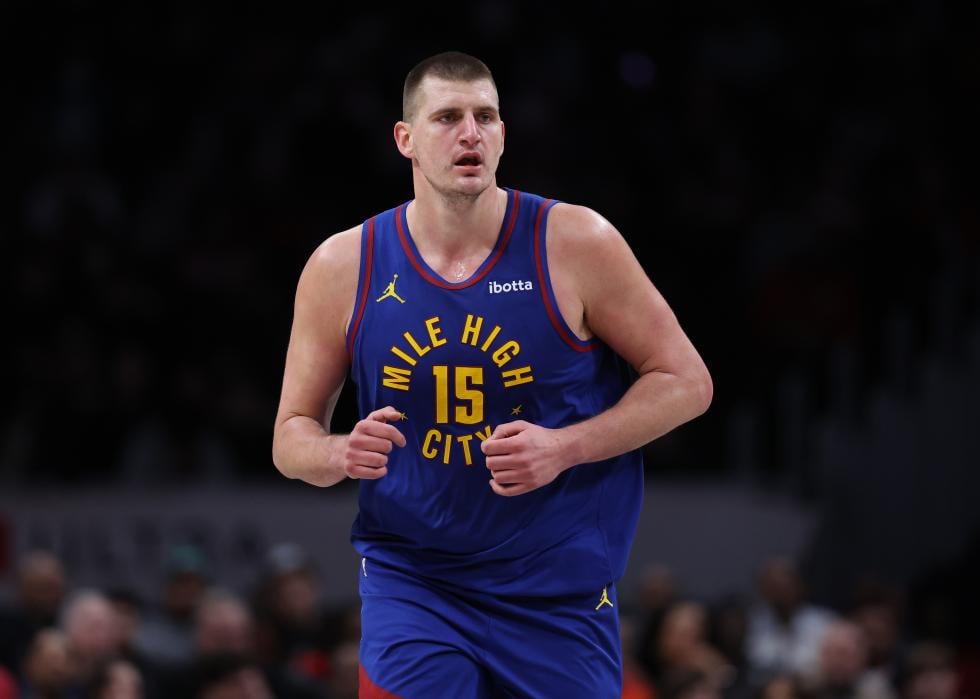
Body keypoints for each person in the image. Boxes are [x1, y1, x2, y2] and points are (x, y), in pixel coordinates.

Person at [272, 50, 713, 698]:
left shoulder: (576, 241)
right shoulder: (344, 264)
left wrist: (565, 446)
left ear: (504, 133)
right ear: (406, 139)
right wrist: (338, 450)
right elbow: (289, 438)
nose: (470, 133)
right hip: (416, 582)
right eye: (448, 117)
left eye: (486, 116)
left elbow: (686, 382)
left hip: (555, 590)